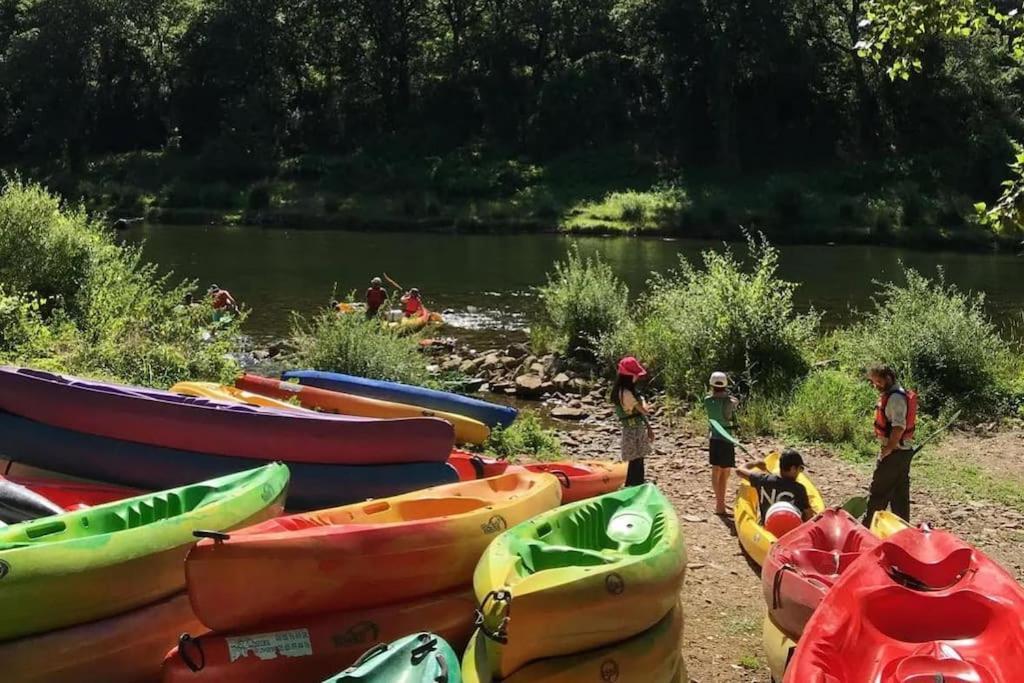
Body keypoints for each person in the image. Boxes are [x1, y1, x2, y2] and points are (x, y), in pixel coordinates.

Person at [863, 363, 918, 527]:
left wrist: (888, 449)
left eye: (878, 381)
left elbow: (898, 427)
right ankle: (903, 531)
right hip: (902, 453)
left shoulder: (895, 398)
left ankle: (867, 530)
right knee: (899, 495)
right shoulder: (893, 394)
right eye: (873, 382)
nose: (876, 385)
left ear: (888, 378)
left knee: (879, 493)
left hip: (895, 453)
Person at [735, 449, 815, 522]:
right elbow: (808, 516)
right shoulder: (799, 489)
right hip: (791, 529)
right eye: (800, 468)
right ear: (793, 468)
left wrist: (755, 463)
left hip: (767, 525)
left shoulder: (763, 480)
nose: (800, 472)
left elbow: (739, 470)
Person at [611, 356, 654, 487]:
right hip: (633, 430)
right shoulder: (627, 394)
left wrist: (649, 428)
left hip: (633, 428)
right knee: (636, 460)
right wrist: (643, 399)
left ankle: (635, 484)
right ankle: (635, 485)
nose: (637, 378)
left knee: (637, 459)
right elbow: (644, 410)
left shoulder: (622, 391)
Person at [704, 371, 739, 516]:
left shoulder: (707, 400)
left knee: (716, 469)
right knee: (725, 472)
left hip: (714, 438)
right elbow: (733, 404)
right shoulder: (730, 401)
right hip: (726, 439)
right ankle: (720, 505)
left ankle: (719, 503)